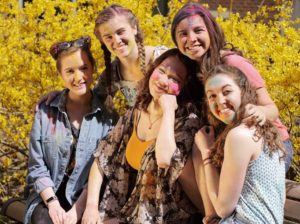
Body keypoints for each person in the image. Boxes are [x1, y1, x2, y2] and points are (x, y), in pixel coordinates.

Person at [81, 48, 205, 223]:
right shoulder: (137, 111)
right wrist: (91, 206)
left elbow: (165, 158)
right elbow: (102, 155)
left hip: (166, 216)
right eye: (161, 71)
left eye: (174, 79)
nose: (163, 80)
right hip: (129, 210)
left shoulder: (187, 121)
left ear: (184, 87)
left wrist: (169, 110)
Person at [171, 2, 293, 171]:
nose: (191, 39)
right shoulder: (188, 72)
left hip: (268, 144)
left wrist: (259, 112)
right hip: (227, 145)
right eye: (183, 34)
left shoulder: (232, 63)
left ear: (211, 32)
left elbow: (272, 109)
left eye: (198, 30)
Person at [24, 36, 116, 224]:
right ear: (60, 75)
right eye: (70, 71)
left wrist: (78, 209)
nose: (78, 77)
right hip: (48, 197)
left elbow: (104, 168)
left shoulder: (108, 118)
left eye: (84, 68)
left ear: (93, 69)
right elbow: (36, 165)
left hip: (88, 198)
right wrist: (52, 203)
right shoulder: (45, 112)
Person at [193, 64, 286, 223]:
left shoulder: (240, 136)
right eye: (212, 96)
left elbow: (222, 209)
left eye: (227, 91)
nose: (220, 101)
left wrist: (206, 152)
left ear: (243, 91)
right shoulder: (266, 131)